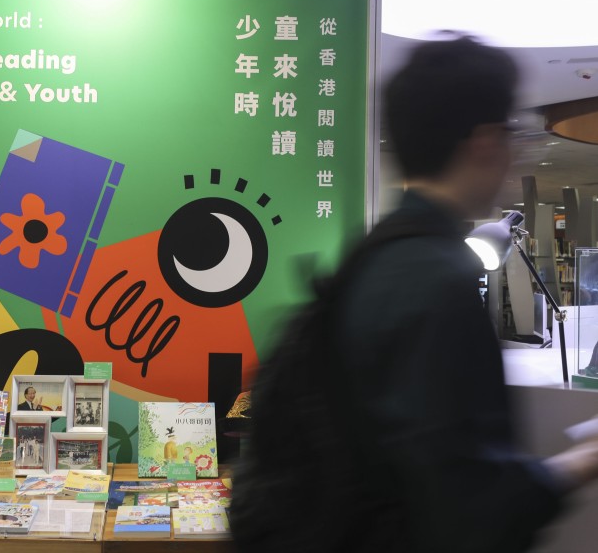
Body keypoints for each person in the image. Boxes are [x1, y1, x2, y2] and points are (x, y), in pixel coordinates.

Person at [231, 36, 598, 553]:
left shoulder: (370, 259)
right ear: (484, 140)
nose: (516, 152)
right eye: (513, 133)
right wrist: (584, 461)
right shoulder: (437, 280)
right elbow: (470, 516)